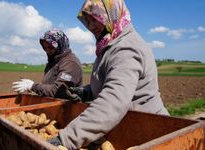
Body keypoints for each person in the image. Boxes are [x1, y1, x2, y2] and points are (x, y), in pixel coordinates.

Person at [48, 0, 170, 149]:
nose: (91, 26)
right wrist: (86, 93)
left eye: (96, 19)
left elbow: (113, 101)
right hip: (127, 127)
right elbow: (109, 84)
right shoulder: (109, 46)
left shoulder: (126, 48)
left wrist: (65, 139)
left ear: (111, 13)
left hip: (149, 131)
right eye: (88, 21)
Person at [12, 29, 82, 99]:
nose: (47, 51)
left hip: (68, 108)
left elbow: (59, 91)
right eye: (45, 48)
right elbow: (48, 85)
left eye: (51, 47)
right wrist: (36, 89)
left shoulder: (70, 63)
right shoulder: (53, 61)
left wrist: (33, 86)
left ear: (60, 45)